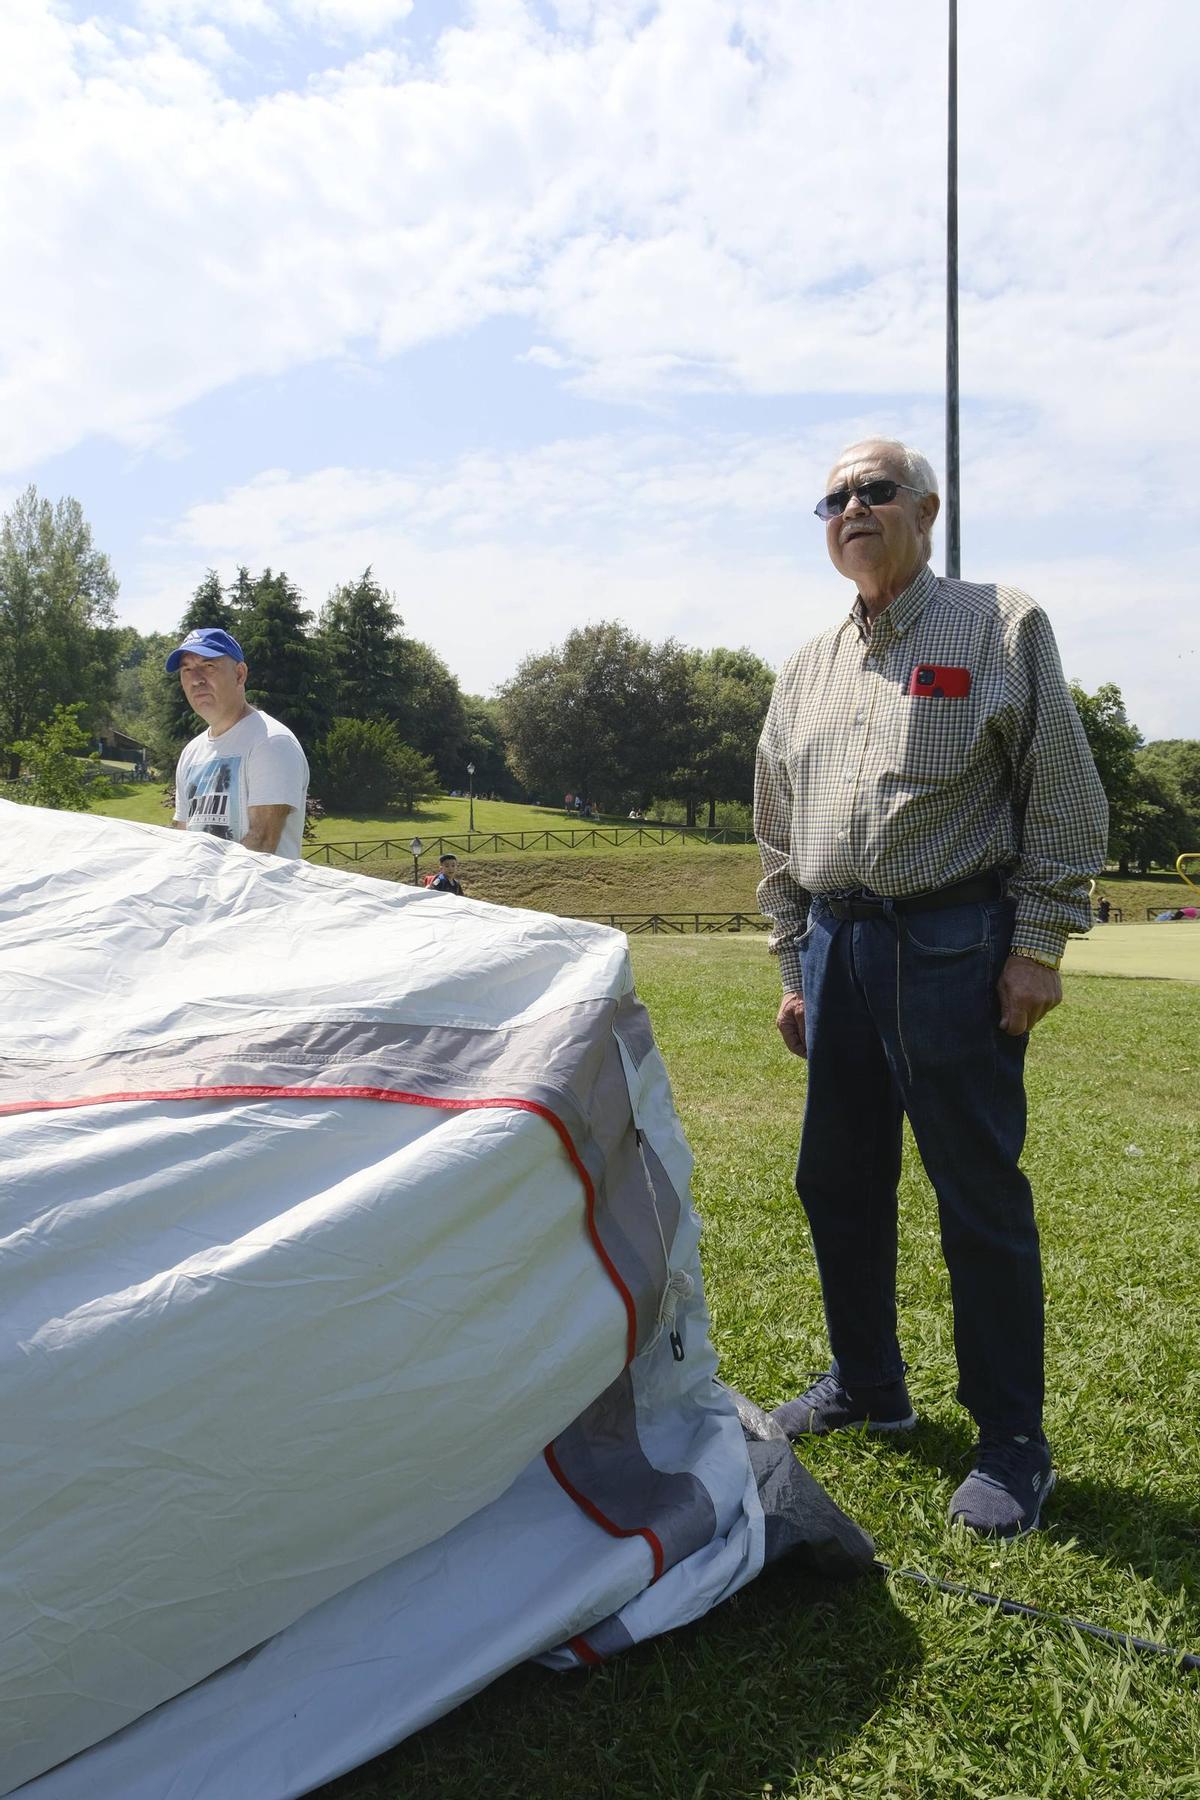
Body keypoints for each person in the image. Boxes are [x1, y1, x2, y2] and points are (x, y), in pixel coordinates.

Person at [754, 437, 1108, 1538]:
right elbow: (777, 826)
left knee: (976, 1196)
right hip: (837, 947)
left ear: (927, 509)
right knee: (837, 1181)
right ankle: (871, 1386)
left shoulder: (1001, 625)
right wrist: (792, 960)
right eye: (835, 498)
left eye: (876, 491)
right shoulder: (807, 666)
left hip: (956, 941)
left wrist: (1039, 942)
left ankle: (1013, 1443)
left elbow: (1061, 793)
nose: (852, 508)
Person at [166, 627, 309, 859]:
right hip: (203, 892)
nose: (196, 680)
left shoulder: (271, 742)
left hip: (257, 894)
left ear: (240, 674)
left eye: (208, 666)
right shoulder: (191, 752)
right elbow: (182, 834)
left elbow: (262, 843)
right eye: (187, 669)